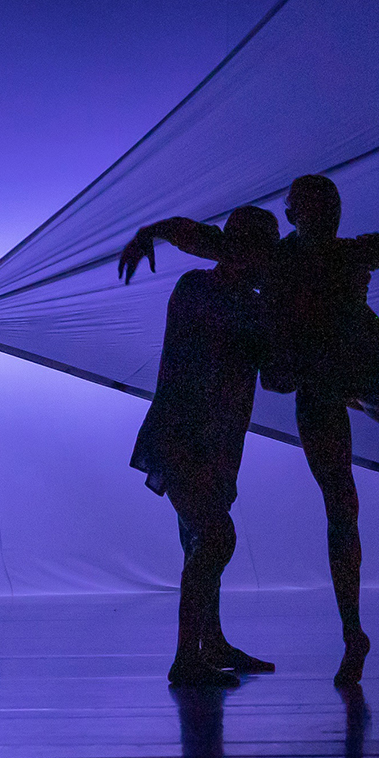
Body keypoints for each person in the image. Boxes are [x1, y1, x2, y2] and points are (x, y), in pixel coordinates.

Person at [120, 174, 379, 685]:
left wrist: (154, 233)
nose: (320, 217)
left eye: (326, 207)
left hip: (275, 405)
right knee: (248, 527)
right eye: (310, 209)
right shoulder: (250, 277)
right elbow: (216, 253)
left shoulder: (292, 272)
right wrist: (155, 233)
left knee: (222, 530)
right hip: (251, 411)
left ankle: (214, 642)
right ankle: (211, 652)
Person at [126, 206, 279, 687]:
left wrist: (153, 231)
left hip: (208, 443)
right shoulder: (219, 297)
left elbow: (274, 374)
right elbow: (277, 375)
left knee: (200, 541)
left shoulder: (217, 294)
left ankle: (208, 644)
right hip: (185, 441)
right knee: (215, 538)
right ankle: (186, 658)